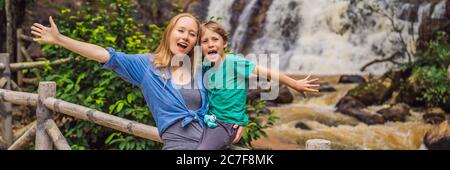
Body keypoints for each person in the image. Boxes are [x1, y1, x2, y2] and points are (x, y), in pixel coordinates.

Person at [30, 14, 245, 150]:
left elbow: (227, 94)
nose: (186, 37)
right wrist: (61, 40)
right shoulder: (146, 66)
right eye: (181, 30)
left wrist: (239, 121)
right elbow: (104, 55)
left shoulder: (199, 69)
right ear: (169, 33)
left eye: (192, 34)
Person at [197, 21, 320, 150]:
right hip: (210, 120)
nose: (210, 44)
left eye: (215, 39)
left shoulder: (234, 62)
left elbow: (268, 73)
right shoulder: (207, 66)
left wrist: (295, 84)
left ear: (225, 43)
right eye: (205, 41)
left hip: (227, 124)